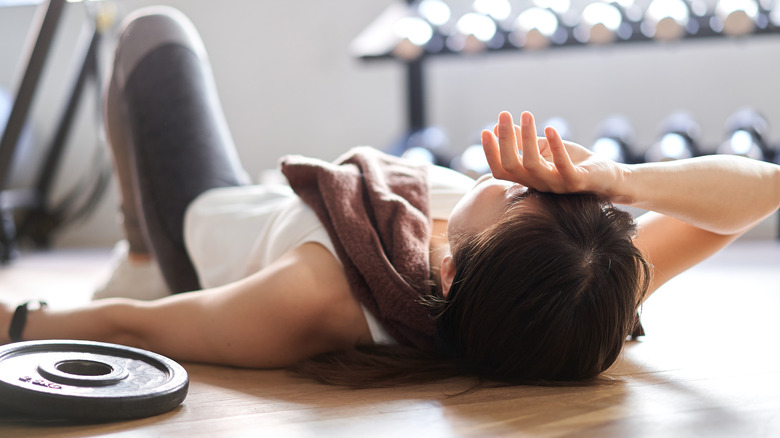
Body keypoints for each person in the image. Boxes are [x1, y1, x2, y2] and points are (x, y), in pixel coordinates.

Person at [2, 7, 779, 387]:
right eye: (566, 199)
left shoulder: (315, 298)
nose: (524, 181)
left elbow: (136, 326)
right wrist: (618, 182)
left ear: (445, 269)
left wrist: (23, 320)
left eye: (517, 201)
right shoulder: (575, 292)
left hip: (205, 230)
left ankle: (139, 248)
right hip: (271, 207)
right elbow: (765, 192)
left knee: (151, 35)